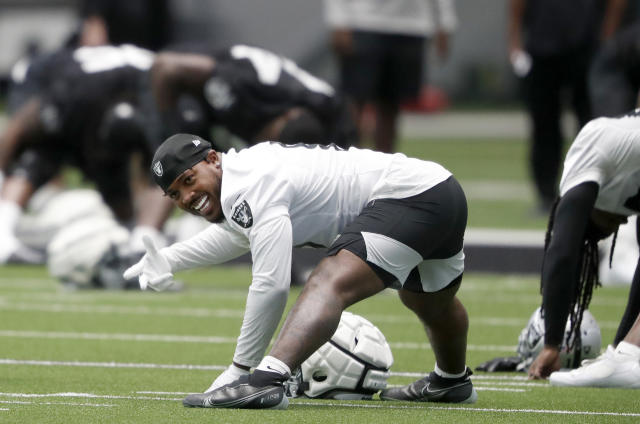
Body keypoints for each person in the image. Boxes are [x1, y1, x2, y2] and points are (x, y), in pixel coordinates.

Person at [124, 133, 476, 409]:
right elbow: (240, 234)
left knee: (328, 280)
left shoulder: (248, 185)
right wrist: (171, 259)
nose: (187, 197)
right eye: (175, 194)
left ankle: (267, 379)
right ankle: (451, 380)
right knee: (429, 301)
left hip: (408, 196)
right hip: (440, 191)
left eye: (188, 180)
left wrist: (243, 371)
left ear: (212, 159)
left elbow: (272, 284)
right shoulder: (242, 176)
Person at [0, 44, 172, 264]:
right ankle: (2, 237)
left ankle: (135, 242)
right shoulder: (74, 97)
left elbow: (166, 168)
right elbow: (17, 129)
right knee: (38, 155)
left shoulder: (160, 101)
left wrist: (144, 237)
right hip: (48, 83)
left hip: (102, 96)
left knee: (126, 184)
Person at [527, 109, 640, 388]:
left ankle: (630, 353)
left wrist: (552, 343)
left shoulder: (591, 145)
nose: (622, 221)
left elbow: (563, 250)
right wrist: (617, 351)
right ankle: (628, 352)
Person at [507, 0, 625, 213]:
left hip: (587, 43)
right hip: (541, 43)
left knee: (592, 125)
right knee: (544, 123)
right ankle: (545, 195)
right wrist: (515, 39)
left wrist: (608, 33)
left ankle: (593, 192)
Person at [150, 44, 356, 149]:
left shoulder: (332, 119)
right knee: (184, 144)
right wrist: (169, 140)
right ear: (287, 115)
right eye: (266, 138)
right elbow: (165, 67)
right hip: (171, 77)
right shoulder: (242, 83)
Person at [324, 0, 457, 153]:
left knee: (391, 104)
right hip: (363, 22)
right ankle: (349, 159)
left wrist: (445, 23)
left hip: (411, 26)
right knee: (355, 100)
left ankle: (385, 162)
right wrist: (338, 20)